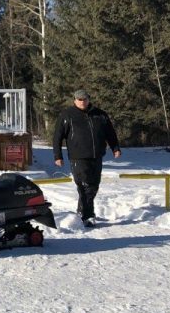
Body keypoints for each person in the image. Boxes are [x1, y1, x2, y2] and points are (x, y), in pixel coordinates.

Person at [52, 89, 122, 225]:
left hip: (96, 156)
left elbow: (110, 133)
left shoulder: (100, 114)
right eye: (79, 99)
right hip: (78, 157)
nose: (82, 102)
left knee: (94, 186)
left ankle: (81, 211)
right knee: (85, 186)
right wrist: (58, 155)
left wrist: (115, 148)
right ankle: (88, 216)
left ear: (88, 99)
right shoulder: (67, 115)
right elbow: (57, 137)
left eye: (84, 99)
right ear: (74, 100)